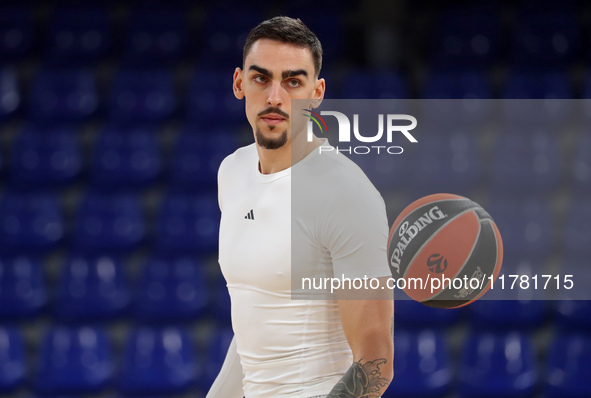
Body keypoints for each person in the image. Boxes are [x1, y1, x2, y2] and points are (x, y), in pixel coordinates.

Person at [207, 16, 394, 398]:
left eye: (293, 81)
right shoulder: (233, 171)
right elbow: (254, 336)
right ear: (239, 83)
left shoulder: (345, 193)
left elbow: (376, 364)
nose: (276, 97)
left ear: (317, 92)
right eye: (262, 78)